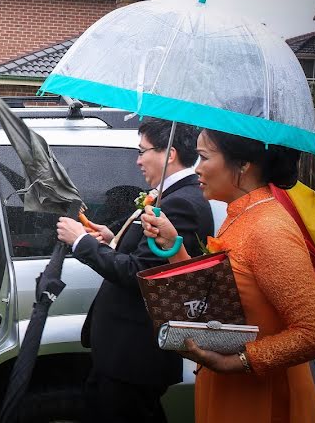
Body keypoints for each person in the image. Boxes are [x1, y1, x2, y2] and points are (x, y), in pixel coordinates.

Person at [141, 128, 315, 423]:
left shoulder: (269, 229)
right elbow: (221, 295)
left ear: (243, 164)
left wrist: (239, 361)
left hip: (261, 397)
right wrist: (173, 246)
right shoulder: (240, 215)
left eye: (204, 157)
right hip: (229, 383)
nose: (196, 169)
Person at [55, 119, 213, 422]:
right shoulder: (166, 195)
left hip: (135, 354)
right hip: (123, 351)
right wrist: (112, 239)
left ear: (169, 154)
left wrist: (82, 243)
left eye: (143, 152)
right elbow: (147, 257)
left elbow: (141, 276)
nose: (137, 160)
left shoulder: (182, 204)